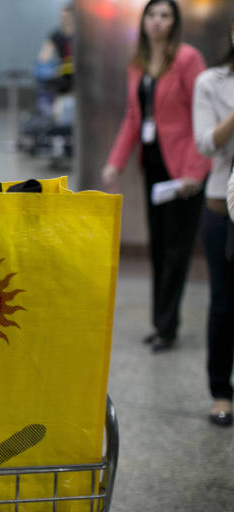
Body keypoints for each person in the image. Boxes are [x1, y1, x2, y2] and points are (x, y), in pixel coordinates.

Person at [101, 0, 209, 353]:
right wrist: (115, 162)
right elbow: (134, 118)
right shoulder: (140, 63)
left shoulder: (188, 59)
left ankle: (166, 326)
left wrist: (196, 169)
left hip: (185, 170)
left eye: (165, 16)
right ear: (144, 20)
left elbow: (202, 116)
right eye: (152, 15)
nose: (158, 21)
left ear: (174, 23)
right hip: (154, 168)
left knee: (178, 250)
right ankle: (162, 322)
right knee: (160, 247)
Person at [193, 19, 234, 427]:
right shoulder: (210, 82)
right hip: (224, 204)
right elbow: (206, 143)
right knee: (224, 304)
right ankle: (221, 391)